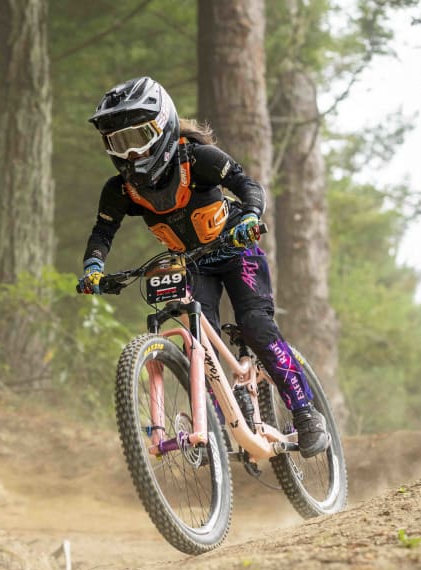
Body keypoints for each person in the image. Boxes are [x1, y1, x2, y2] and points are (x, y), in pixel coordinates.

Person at [77, 76, 329, 458]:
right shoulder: (120, 190)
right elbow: (103, 231)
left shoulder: (198, 159)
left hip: (236, 249)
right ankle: (216, 425)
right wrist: (93, 269)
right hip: (193, 265)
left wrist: (250, 217)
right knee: (197, 342)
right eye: (119, 143)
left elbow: (247, 185)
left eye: (139, 137)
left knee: (254, 324)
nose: (131, 153)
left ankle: (306, 414)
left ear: (163, 126)